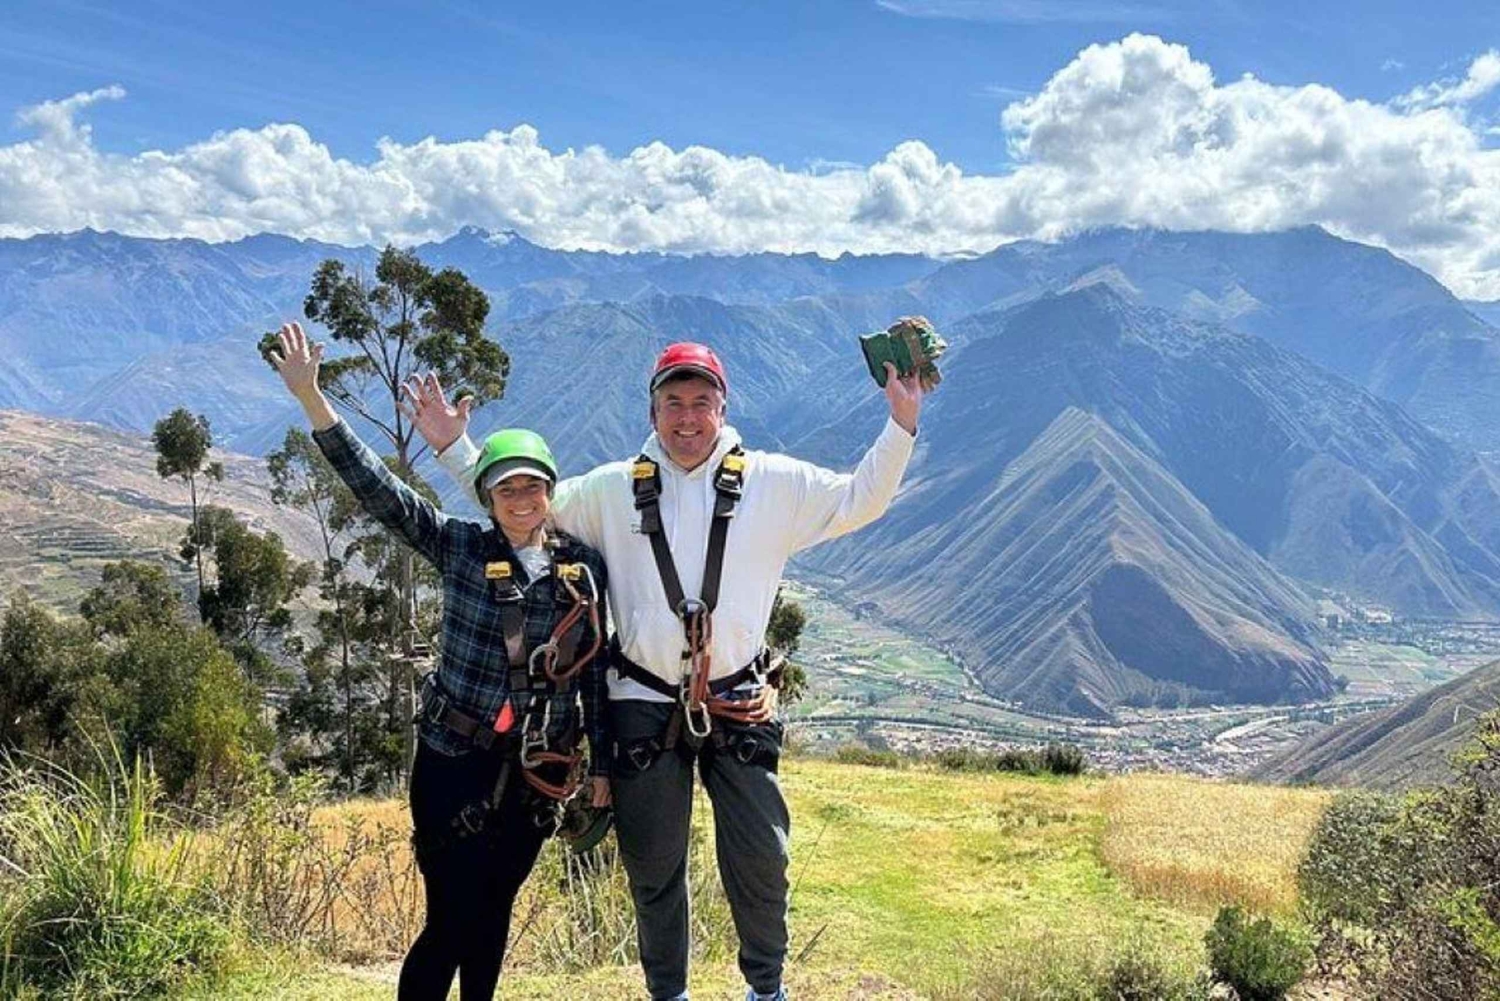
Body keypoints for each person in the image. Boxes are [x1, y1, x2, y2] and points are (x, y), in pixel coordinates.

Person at [409, 341, 923, 1001]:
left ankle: (767, 989)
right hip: (640, 699)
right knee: (653, 864)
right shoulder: (611, 489)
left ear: (723, 406)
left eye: (700, 402)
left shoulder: (774, 482)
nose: (687, 418)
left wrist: (901, 424)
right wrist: (459, 448)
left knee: (763, 859)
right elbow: (525, 503)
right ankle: (668, 994)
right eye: (673, 402)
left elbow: (859, 498)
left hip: (736, 697)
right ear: (652, 409)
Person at [267, 321, 611, 1001]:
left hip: (537, 771)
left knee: (495, 911)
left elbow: (594, 673)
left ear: (550, 492)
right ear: (487, 497)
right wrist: (314, 401)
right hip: (453, 758)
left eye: (532, 487)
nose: (521, 500)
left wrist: (599, 766)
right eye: (506, 489)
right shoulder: (460, 547)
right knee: (450, 916)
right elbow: (379, 493)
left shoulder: (582, 571)